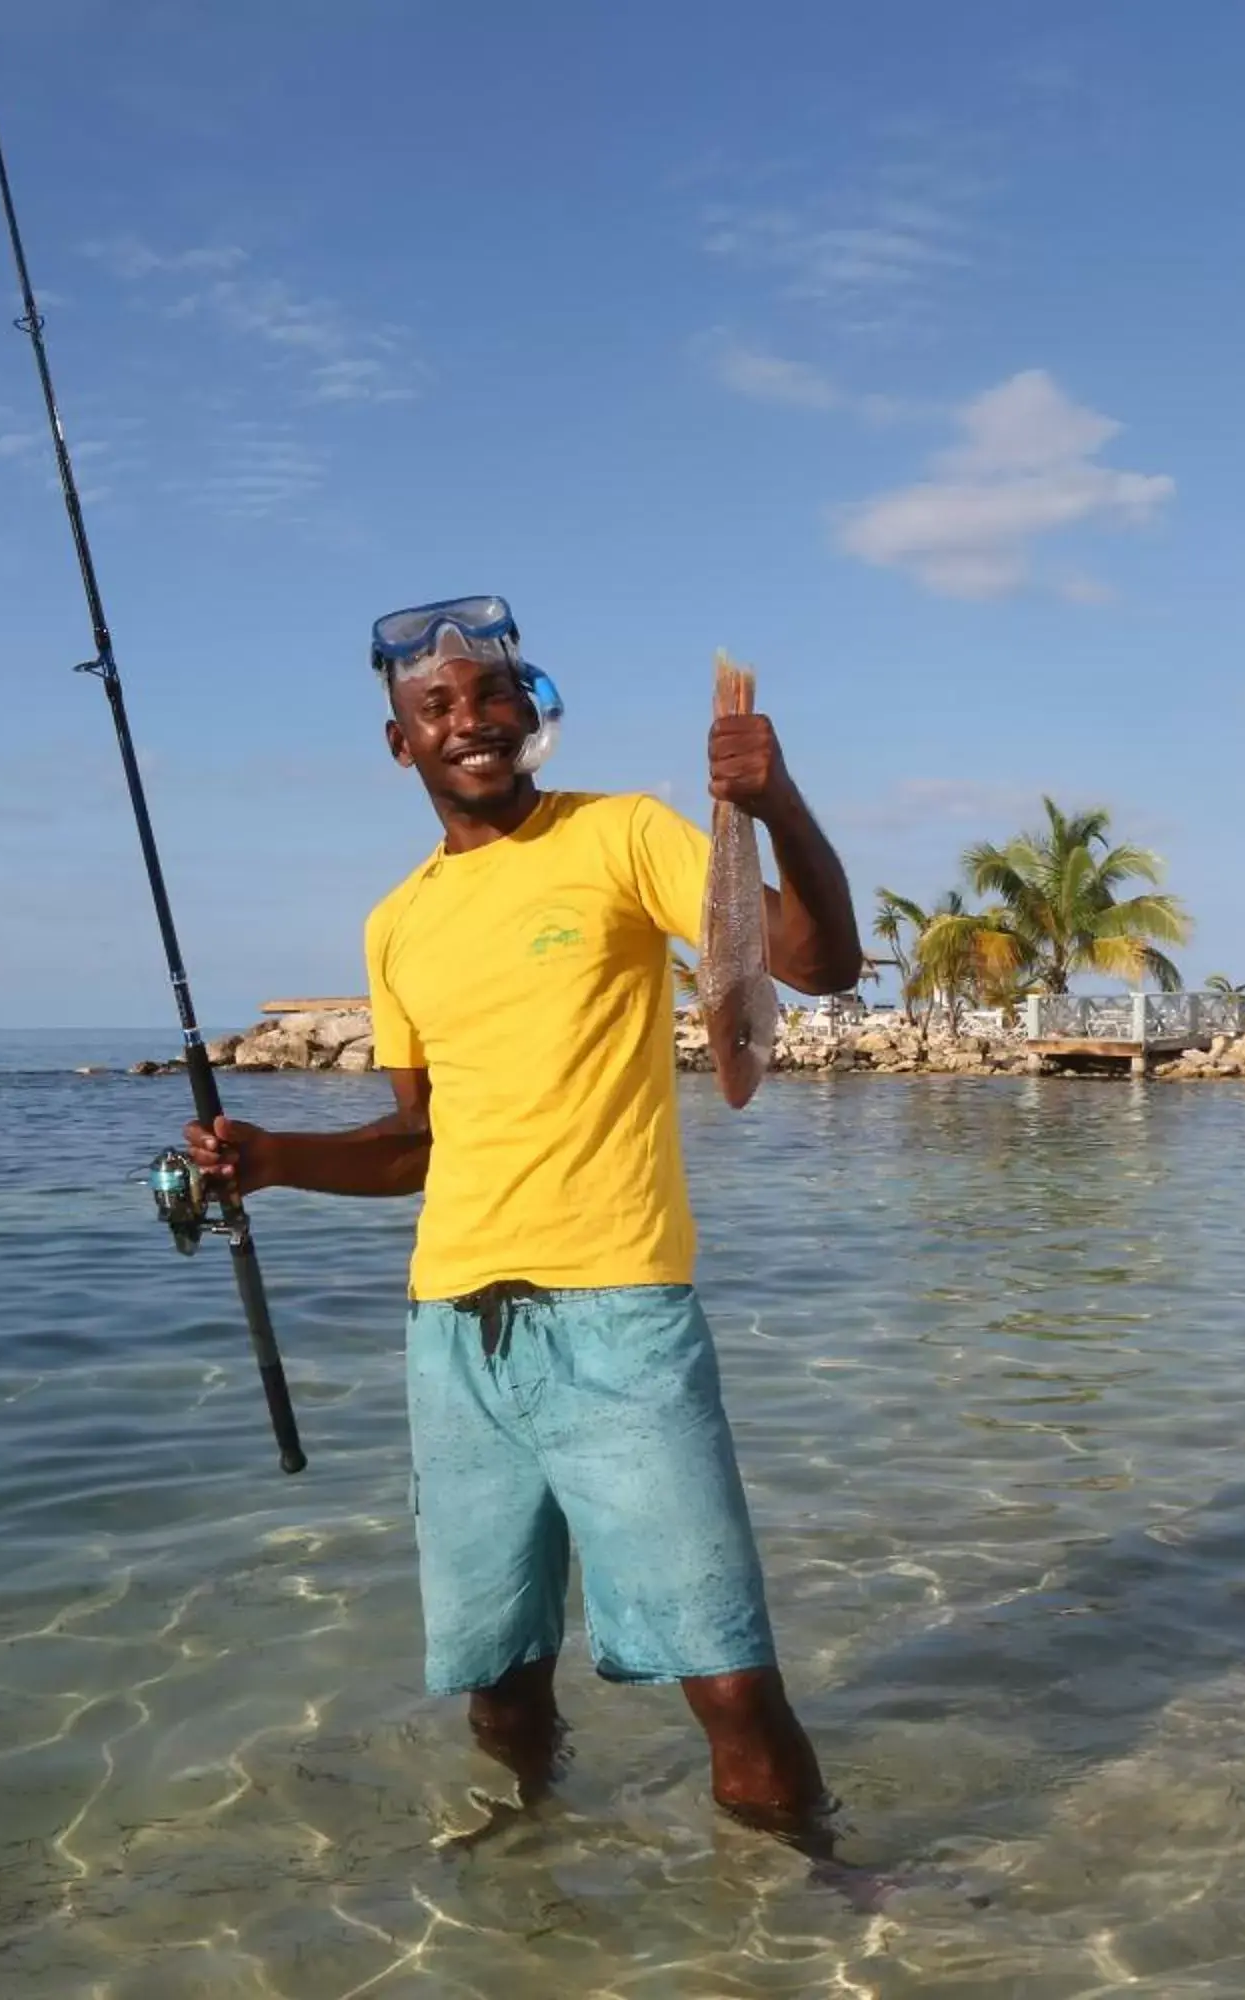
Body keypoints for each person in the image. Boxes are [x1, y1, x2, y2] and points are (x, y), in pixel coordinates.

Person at [184, 595, 863, 1830]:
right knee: (496, 1685)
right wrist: (273, 1157)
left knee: (725, 1673)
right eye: (436, 706)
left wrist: (777, 806)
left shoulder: (624, 834)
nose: (470, 721)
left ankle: (817, 1901)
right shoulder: (396, 923)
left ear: (532, 710)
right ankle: (529, 1872)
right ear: (402, 745)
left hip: (619, 1312)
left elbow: (818, 966)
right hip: (452, 1331)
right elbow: (417, 1142)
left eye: (492, 695)